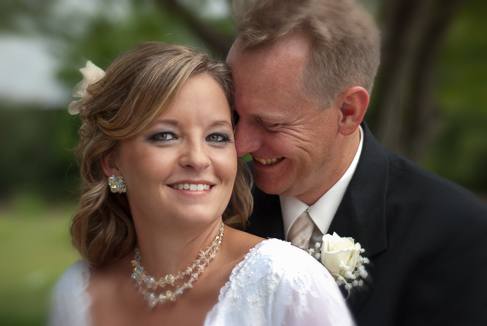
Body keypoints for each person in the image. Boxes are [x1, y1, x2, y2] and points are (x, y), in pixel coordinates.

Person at [49, 42, 354, 326]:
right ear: (112, 161)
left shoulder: (286, 282)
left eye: (216, 137)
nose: (197, 159)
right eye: (165, 136)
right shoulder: (76, 294)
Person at [227, 0, 487, 325]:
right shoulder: (222, 206)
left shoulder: (456, 237)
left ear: (349, 112)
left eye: (271, 124)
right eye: (235, 116)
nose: (239, 146)